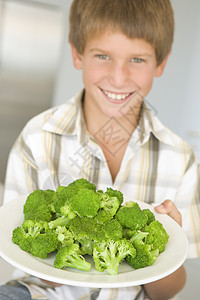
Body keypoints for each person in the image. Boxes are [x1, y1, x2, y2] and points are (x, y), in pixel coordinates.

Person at [1, 0, 200, 299]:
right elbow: (20, 251)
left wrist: (166, 247)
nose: (118, 78)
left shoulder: (182, 158)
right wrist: (63, 243)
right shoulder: (36, 138)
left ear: (161, 62)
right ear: (77, 54)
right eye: (103, 55)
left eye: (137, 60)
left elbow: (168, 291)